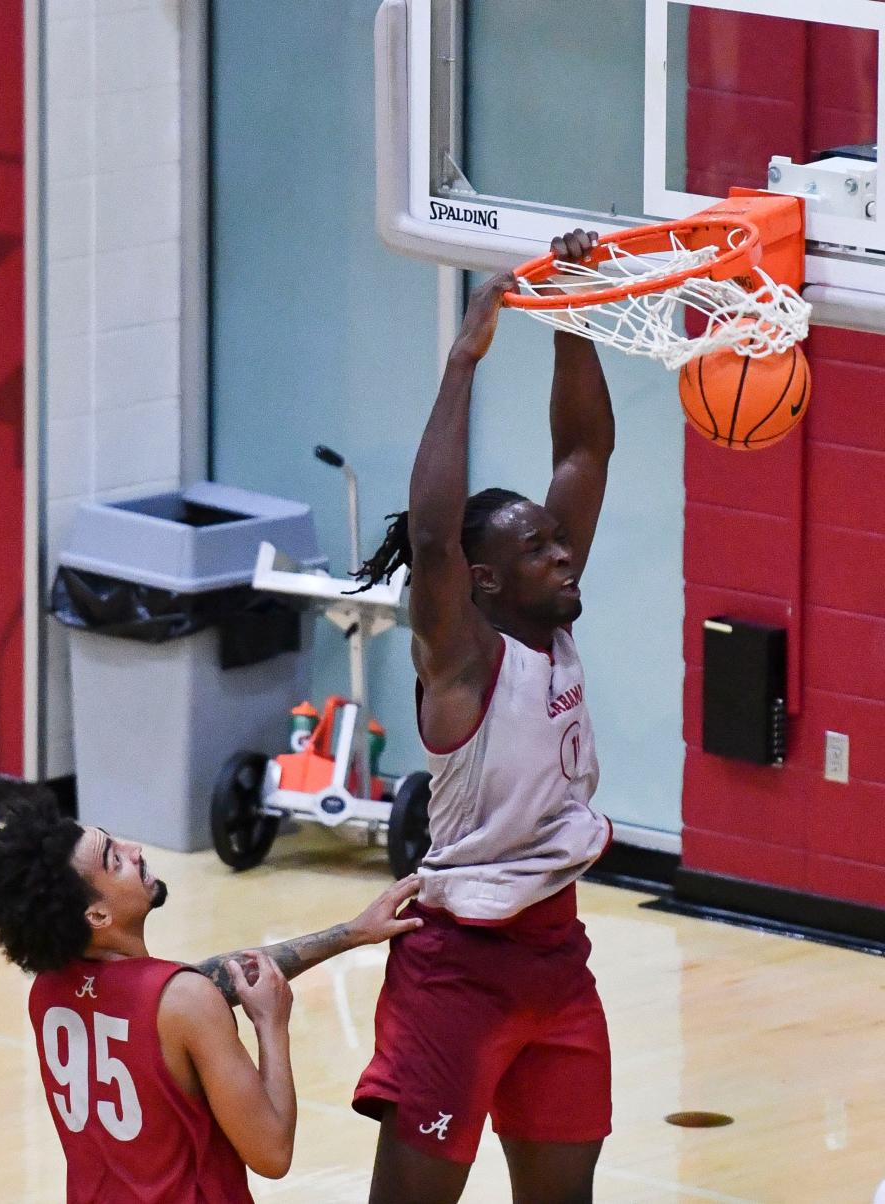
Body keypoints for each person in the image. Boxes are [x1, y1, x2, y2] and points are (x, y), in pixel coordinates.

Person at [351, 231, 616, 1204]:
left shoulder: (552, 622)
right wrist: (465, 357)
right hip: (455, 972)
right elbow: (431, 534)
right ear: (486, 580)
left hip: (557, 956)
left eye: (562, 540)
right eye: (543, 547)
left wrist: (573, 313)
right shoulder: (463, 658)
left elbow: (583, 449)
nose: (566, 554)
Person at [0, 793, 422, 1203]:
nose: (134, 850)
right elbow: (272, 1152)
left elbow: (202, 982)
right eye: (115, 861)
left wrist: (351, 934)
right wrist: (271, 1027)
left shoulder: (48, 992)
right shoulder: (183, 1002)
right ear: (97, 913)